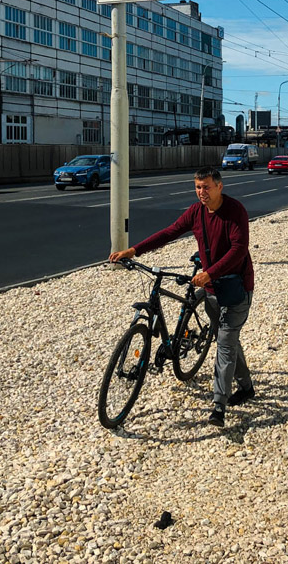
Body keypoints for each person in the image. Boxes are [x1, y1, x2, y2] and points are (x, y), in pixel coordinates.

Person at [108, 166, 255, 427]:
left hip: (236, 288)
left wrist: (210, 273)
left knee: (224, 343)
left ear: (220, 186)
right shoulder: (196, 212)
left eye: (206, 187)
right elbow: (170, 232)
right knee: (228, 338)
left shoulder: (235, 212)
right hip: (210, 291)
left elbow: (239, 250)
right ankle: (246, 386)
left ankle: (218, 406)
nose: (202, 192)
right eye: (198, 187)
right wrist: (134, 250)